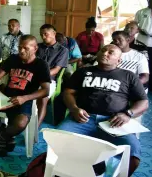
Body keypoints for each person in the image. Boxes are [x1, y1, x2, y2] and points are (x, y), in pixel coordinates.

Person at [58, 44, 148, 177]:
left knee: (133, 153)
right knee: (57, 140)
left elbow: (143, 102)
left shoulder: (128, 76)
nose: (105, 53)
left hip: (114, 122)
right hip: (83, 119)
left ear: (119, 60)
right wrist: (74, 108)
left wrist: (128, 114)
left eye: (111, 53)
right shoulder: (83, 71)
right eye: (103, 50)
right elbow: (68, 93)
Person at [0, 35, 51, 157]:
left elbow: (46, 91)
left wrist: (25, 98)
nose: (21, 51)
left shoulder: (41, 65)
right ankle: (4, 132)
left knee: (21, 123)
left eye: (26, 48)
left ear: (35, 48)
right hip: (6, 97)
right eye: (20, 47)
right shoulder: (13, 59)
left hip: (25, 99)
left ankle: (3, 136)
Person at [36, 24, 69, 126]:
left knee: (43, 98)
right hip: (32, 77)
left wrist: (38, 74)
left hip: (49, 80)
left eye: (46, 34)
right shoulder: (37, 47)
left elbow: (55, 70)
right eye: (41, 35)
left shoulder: (62, 50)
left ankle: (35, 126)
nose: (43, 37)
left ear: (54, 33)